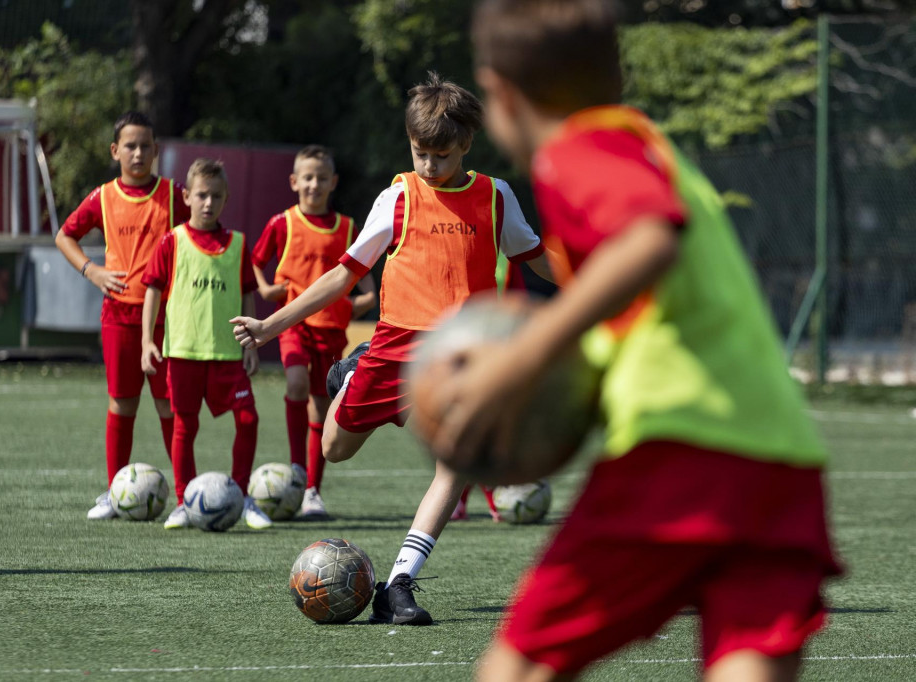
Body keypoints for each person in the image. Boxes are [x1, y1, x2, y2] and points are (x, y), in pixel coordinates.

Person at [420, 1, 842, 679]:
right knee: (749, 660)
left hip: (683, 449)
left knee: (520, 666)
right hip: (779, 456)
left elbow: (648, 242)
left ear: (500, 96)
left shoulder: (578, 151)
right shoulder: (645, 143)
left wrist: (520, 362)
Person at [233, 73, 553, 624]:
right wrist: (269, 325)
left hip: (461, 357)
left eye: (442, 154)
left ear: (467, 145)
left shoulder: (497, 198)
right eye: (420, 152)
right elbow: (342, 276)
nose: (429, 165)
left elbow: (541, 259)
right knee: (334, 448)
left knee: (454, 466)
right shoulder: (398, 197)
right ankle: (350, 376)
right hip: (394, 347)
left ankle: (399, 583)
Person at [55, 111, 189, 520]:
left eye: (145, 146)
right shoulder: (103, 197)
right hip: (119, 316)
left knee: (170, 407)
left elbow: (204, 234)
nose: (138, 153)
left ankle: (184, 498)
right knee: (122, 403)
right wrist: (91, 270)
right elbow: (65, 236)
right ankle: (116, 493)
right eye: (130, 146)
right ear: (115, 151)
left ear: (156, 151)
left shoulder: (173, 195)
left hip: (168, 319)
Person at [140, 158, 272, 531]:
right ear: (187, 197)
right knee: (185, 426)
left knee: (249, 419)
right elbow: (152, 290)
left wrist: (251, 345)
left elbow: (248, 294)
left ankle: (244, 497)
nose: (208, 203)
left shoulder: (238, 244)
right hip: (183, 352)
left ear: (226, 198)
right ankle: (184, 501)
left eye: (216, 196)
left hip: (228, 354)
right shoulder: (172, 240)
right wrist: (147, 341)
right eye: (201, 195)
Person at [251, 145, 376, 519]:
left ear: (333, 182)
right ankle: (296, 471)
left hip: (333, 332)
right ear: (294, 182)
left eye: (322, 178)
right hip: (294, 325)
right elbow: (256, 263)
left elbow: (366, 281)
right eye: (307, 177)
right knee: (295, 385)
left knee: (322, 408)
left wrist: (360, 303)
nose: (314, 184)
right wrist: (265, 289)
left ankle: (311, 493)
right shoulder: (282, 223)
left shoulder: (349, 228)